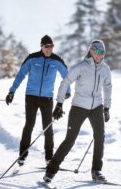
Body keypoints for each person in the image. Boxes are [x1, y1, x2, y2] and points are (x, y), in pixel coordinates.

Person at [43, 39, 112, 184]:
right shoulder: (80, 67)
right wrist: (59, 103)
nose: (100, 55)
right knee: (70, 140)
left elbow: (108, 87)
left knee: (100, 137)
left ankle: (96, 171)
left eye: (103, 53)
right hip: (79, 107)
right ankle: (51, 170)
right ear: (92, 51)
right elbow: (65, 82)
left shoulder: (105, 69)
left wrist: (106, 107)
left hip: (96, 107)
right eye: (98, 52)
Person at [5, 35, 71, 166]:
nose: (49, 49)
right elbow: (21, 75)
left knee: (48, 128)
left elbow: (67, 76)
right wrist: (12, 91)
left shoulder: (57, 60)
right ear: (41, 46)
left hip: (47, 98)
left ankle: (49, 157)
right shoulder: (32, 58)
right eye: (46, 47)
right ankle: (22, 155)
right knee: (29, 125)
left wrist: (67, 92)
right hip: (31, 97)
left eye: (51, 47)